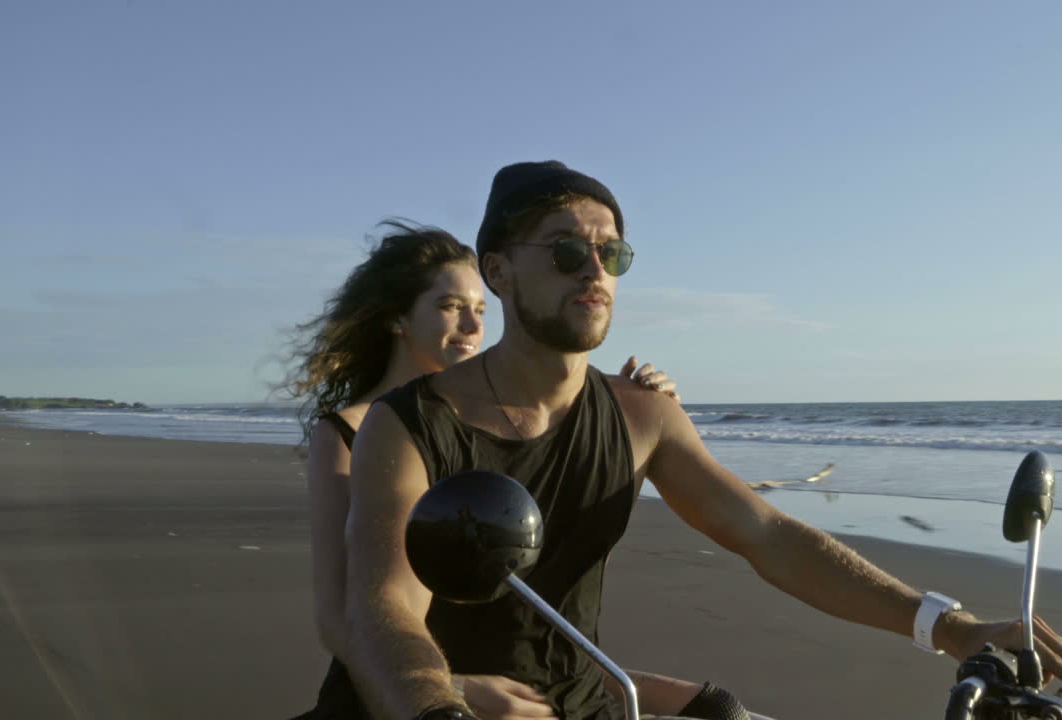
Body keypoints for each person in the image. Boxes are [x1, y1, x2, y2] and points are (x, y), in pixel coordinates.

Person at [342, 162, 1062, 720]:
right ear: (500, 271)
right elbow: (387, 607)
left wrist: (949, 626)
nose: (596, 271)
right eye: (567, 250)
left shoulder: (641, 415)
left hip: (586, 702)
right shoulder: (410, 423)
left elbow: (766, 533)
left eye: (612, 253)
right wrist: (438, 707)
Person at [281, 220, 736, 720]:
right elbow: (339, 618)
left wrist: (635, 413)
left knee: (719, 706)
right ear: (397, 319)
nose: (473, 326)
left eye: (480, 309)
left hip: (538, 676)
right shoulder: (349, 432)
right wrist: (452, 688)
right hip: (407, 690)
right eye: (450, 306)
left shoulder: (508, 425)